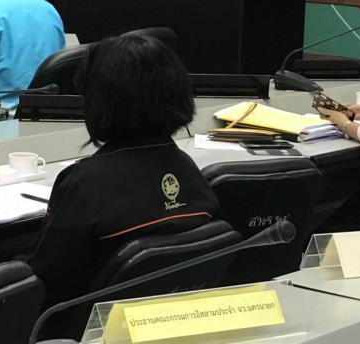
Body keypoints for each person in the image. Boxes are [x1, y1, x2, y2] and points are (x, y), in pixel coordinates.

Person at [28, 34, 218, 311]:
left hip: (85, 327)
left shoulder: (85, 185)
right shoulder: (189, 171)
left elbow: (45, 282)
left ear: (99, 101)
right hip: (171, 319)